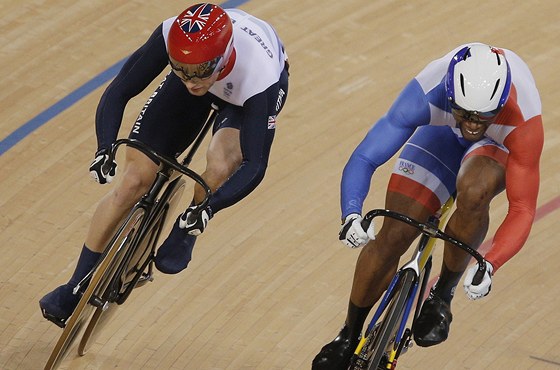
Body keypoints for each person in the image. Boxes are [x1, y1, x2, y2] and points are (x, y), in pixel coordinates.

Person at [39, 3, 289, 326]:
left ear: (223, 56)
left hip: (244, 95)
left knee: (220, 162)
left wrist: (209, 207)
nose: (191, 80)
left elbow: (256, 164)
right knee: (132, 181)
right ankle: (74, 286)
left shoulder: (259, 77)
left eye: (200, 71)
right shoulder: (176, 41)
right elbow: (119, 91)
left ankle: (188, 227)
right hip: (214, 68)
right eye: (181, 69)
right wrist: (105, 148)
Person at [312, 43, 543, 369]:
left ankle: (442, 296)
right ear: (451, 97)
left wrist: (490, 264)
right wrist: (351, 213)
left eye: (484, 116)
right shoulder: (426, 94)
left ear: (502, 103)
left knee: (474, 192)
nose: (474, 125)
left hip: (497, 145)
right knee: (394, 235)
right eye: (466, 114)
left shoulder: (523, 120)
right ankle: (348, 334)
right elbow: (366, 156)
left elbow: (522, 208)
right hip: (443, 131)